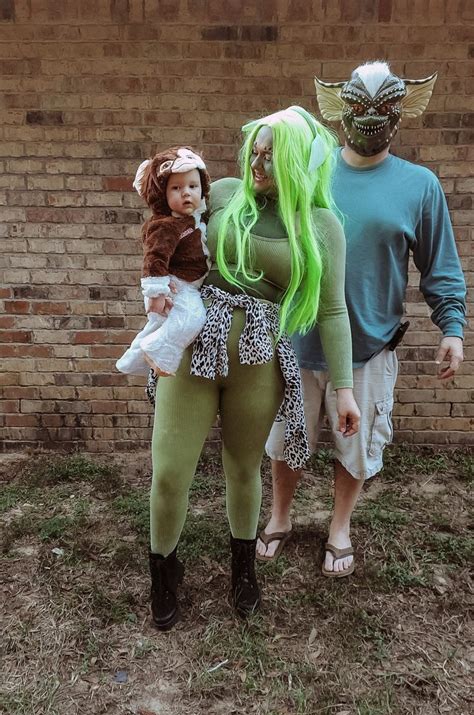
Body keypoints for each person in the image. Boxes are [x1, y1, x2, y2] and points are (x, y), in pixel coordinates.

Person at [144, 106, 360, 630]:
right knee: (170, 473)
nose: (259, 163)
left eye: (272, 155)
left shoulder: (322, 226)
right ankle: (163, 573)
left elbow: (332, 310)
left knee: (244, 470)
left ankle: (244, 571)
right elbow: (166, 206)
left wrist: (346, 390)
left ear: (297, 163)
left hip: (258, 357)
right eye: (254, 152)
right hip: (197, 347)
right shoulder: (223, 195)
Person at [258, 61, 467, 577]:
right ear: (340, 112)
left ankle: (339, 526)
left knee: (354, 445)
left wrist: (453, 327)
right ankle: (279, 516)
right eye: (360, 109)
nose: (370, 120)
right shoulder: (310, 170)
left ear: (400, 114)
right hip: (298, 338)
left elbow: (439, 264)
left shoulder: (419, 185)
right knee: (288, 438)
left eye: (382, 110)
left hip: (369, 343)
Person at [116, 147, 210, 378]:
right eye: (176, 188)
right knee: (192, 317)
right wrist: (157, 293)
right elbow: (154, 258)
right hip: (175, 285)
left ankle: (133, 360)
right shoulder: (166, 225)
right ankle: (159, 355)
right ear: (163, 194)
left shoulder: (190, 219)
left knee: (158, 325)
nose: (186, 193)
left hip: (183, 282)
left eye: (193, 186)